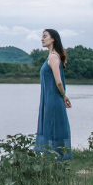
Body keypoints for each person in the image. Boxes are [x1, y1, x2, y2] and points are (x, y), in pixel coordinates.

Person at [35, 28, 72, 160]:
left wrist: (63, 96)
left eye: (45, 36)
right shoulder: (52, 56)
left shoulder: (53, 57)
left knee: (54, 128)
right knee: (51, 128)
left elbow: (58, 82)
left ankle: (58, 160)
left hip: (53, 100)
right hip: (49, 100)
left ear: (53, 39)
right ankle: (53, 160)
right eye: (42, 36)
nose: (42, 39)